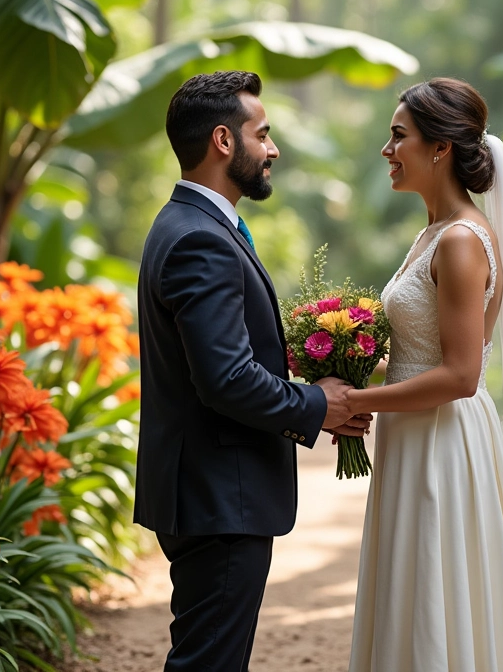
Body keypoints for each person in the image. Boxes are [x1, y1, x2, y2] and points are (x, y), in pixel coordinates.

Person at [346, 78, 503, 671]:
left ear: (440, 147)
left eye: (398, 136)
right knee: (416, 588)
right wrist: (340, 370)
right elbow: (421, 358)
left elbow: (462, 375)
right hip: (415, 435)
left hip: (442, 442)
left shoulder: (461, 240)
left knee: (438, 590)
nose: (387, 150)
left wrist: (357, 400)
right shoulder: (432, 234)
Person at [134, 70, 371, 672]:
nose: (274, 149)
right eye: (262, 134)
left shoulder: (188, 224)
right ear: (223, 140)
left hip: (207, 492)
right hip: (220, 494)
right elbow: (227, 378)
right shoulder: (201, 239)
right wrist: (319, 405)